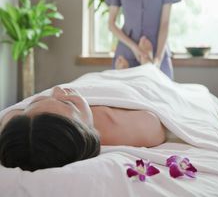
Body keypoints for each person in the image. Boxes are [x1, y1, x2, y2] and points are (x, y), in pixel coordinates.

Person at [0, 60, 165, 171]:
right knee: (147, 76)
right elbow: (157, 124)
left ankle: (124, 69)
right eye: (68, 104)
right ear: (86, 132)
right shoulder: (112, 125)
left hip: (89, 81)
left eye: (35, 102)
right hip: (128, 87)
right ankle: (147, 62)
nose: (57, 89)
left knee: (95, 77)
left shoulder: (18, 127)